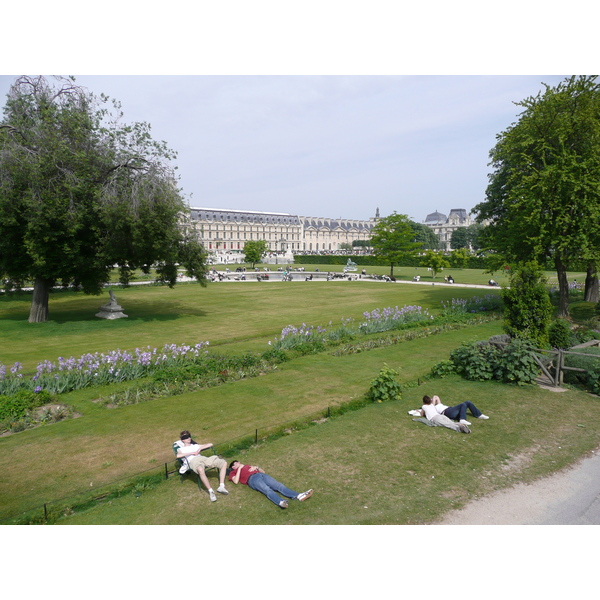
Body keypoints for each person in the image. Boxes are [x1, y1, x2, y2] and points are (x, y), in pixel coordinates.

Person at [228, 460, 313, 509]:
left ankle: (299, 496)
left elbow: (263, 471)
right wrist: (239, 468)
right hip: (252, 479)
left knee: (279, 485)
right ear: (233, 467)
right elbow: (235, 481)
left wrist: (256, 467)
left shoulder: (247, 466)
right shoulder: (233, 472)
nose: (238, 462)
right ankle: (280, 502)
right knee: (267, 490)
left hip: (261, 475)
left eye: (238, 462)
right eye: (236, 463)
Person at [174, 430, 229, 502]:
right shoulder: (181, 449)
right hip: (193, 461)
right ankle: (211, 491)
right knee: (200, 469)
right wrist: (191, 452)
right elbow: (178, 455)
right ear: (183, 440)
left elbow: (210, 444)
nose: (189, 438)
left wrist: (199, 448)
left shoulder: (195, 446)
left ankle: (221, 486)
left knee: (223, 462)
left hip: (203, 458)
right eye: (186, 437)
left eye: (189, 436)